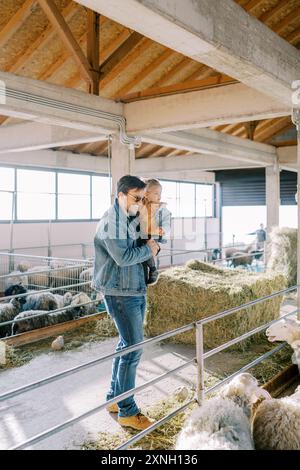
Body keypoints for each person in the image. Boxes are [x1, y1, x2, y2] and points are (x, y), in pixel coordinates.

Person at [92, 175, 159, 431]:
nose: (140, 202)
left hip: (133, 289)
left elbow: (140, 245)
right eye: (136, 197)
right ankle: (128, 412)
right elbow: (122, 257)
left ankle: (114, 398)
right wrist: (150, 250)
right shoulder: (111, 223)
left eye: (142, 198)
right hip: (120, 293)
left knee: (126, 345)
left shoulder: (128, 220)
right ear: (120, 195)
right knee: (133, 349)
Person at [138, 178, 172, 285]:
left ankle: (153, 269)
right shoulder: (139, 206)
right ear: (146, 194)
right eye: (156, 193)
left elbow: (166, 225)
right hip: (140, 235)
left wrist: (161, 230)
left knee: (147, 244)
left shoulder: (162, 210)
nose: (159, 196)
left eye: (160, 193)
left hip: (151, 236)